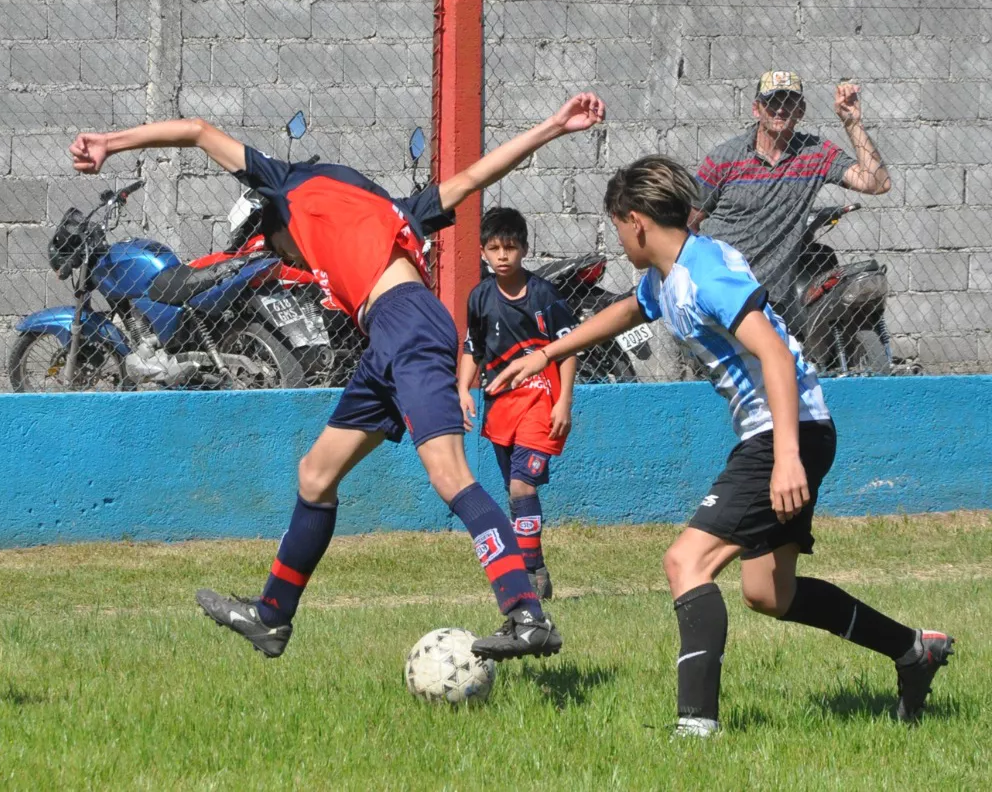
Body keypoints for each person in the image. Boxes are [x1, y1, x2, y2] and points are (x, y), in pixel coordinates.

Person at [70, 93, 605, 661]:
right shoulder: (393, 209)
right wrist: (550, 126)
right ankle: (272, 615)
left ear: (273, 223)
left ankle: (527, 613)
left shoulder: (286, 188)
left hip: (409, 326)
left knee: (450, 474)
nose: (293, 261)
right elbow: (474, 176)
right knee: (316, 474)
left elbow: (199, 130)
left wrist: (110, 142)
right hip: (389, 336)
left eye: (280, 250)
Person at [491, 156, 952, 735]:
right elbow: (629, 309)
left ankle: (696, 730)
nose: (617, 238)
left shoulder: (705, 271)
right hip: (791, 432)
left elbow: (777, 355)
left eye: (615, 226)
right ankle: (912, 650)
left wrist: (786, 456)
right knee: (769, 592)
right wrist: (547, 353)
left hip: (787, 431)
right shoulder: (667, 275)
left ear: (635, 222)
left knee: (686, 561)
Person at [692, 71, 891, 324]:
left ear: (801, 110)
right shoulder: (725, 157)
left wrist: (852, 123)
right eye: (772, 102)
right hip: (720, 286)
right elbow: (690, 220)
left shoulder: (816, 154)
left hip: (771, 297)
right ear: (757, 109)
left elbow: (877, 182)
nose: (780, 110)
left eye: (789, 102)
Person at [457, 207, 579, 600]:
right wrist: (462, 390)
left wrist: (564, 403)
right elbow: (472, 348)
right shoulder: (479, 297)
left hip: (542, 398)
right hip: (500, 404)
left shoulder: (543, 294)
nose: (502, 255)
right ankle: (537, 566)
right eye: (494, 248)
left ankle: (530, 573)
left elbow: (569, 348)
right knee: (516, 492)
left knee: (521, 484)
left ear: (524, 248)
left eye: (510, 247)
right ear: (483, 252)